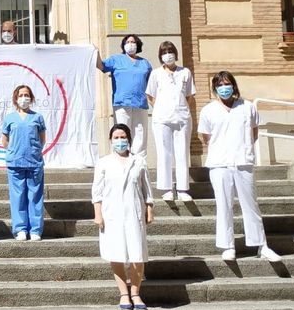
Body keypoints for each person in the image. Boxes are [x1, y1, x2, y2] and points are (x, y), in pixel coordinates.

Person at [198, 71, 281, 262]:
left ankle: (262, 245)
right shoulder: (208, 110)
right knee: (224, 205)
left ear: (234, 86)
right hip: (219, 164)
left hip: (243, 161)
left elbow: (254, 132)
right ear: (215, 88)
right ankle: (228, 246)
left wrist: (242, 149)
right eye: (220, 85)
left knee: (250, 204)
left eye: (227, 84)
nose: (224, 88)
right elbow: (206, 138)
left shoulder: (247, 107)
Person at [92, 124, 154, 310]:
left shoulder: (139, 161)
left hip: (134, 213)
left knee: (138, 254)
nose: (120, 141)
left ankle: (135, 292)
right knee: (116, 253)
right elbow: (97, 192)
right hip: (112, 214)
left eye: (123, 137)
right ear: (111, 140)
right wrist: (98, 214)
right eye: (116, 137)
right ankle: (124, 293)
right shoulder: (103, 163)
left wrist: (149, 210)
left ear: (129, 139)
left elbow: (147, 190)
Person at [145, 41, 196, 202]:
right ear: (160, 56)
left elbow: (189, 95)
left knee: (182, 153)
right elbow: (150, 96)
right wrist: (161, 108)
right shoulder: (156, 73)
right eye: (165, 52)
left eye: (170, 51)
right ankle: (166, 188)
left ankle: (182, 189)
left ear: (175, 53)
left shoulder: (185, 72)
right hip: (162, 119)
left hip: (182, 118)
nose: (168, 54)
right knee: (164, 153)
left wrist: (179, 107)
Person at [0, 85, 46, 241]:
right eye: (21, 95)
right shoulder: (10, 118)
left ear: (31, 98)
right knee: (18, 196)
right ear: (15, 98)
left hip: (34, 162)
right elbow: (5, 140)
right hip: (15, 162)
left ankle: (35, 230)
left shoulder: (37, 117)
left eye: (27, 95)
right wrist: (14, 152)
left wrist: (34, 151)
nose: (24, 98)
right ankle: (20, 229)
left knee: (35, 196)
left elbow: (42, 138)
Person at [97, 35, 153, 157]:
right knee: (122, 134)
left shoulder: (145, 63)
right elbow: (101, 66)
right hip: (122, 103)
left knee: (140, 134)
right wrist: (95, 52)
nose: (131, 44)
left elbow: (151, 85)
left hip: (140, 104)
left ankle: (140, 163)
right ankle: (121, 159)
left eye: (133, 42)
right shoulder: (116, 59)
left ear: (138, 45)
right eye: (128, 42)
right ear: (123, 45)